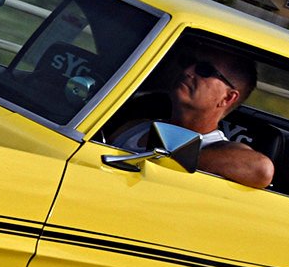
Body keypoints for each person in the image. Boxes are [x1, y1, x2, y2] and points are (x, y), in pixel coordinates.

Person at [107, 43, 275, 189]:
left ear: (227, 98)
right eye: (187, 62)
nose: (187, 71)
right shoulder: (135, 127)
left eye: (205, 70)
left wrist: (172, 159)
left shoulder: (218, 148)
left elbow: (261, 169)